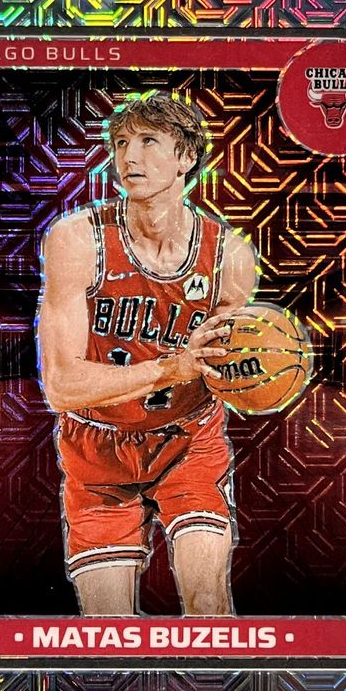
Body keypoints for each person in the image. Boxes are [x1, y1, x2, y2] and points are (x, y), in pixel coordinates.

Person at [37, 91, 257, 617]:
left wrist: (258, 373)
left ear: (186, 157)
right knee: (108, 627)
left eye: (148, 141)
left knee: (208, 603)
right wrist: (171, 368)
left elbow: (234, 368)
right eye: (121, 143)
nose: (129, 157)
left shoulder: (229, 257)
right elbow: (60, 385)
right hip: (98, 447)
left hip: (187, 441)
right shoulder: (78, 240)